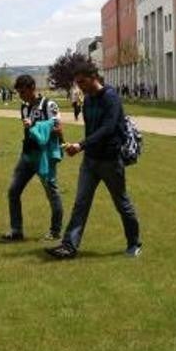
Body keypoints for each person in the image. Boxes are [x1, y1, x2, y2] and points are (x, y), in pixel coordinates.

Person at [47, 61, 141, 259]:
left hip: (110, 160)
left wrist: (81, 145)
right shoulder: (88, 100)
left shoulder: (110, 97)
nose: (80, 86)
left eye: (82, 81)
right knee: (81, 202)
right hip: (90, 161)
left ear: (94, 77)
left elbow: (107, 128)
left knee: (121, 202)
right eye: (77, 82)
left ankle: (134, 243)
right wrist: (81, 147)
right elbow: (91, 129)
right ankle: (69, 246)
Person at [1, 75, 65, 242]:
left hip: (44, 156)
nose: (21, 95)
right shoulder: (23, 107)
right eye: (19, 92)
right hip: (27, 156)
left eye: (23, 92)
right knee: (13, 191)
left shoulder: (49, 105)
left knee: (51, 192)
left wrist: (36, 127)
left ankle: (55, 231)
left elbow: (58, 128)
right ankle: (16, 231)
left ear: (32, 88)